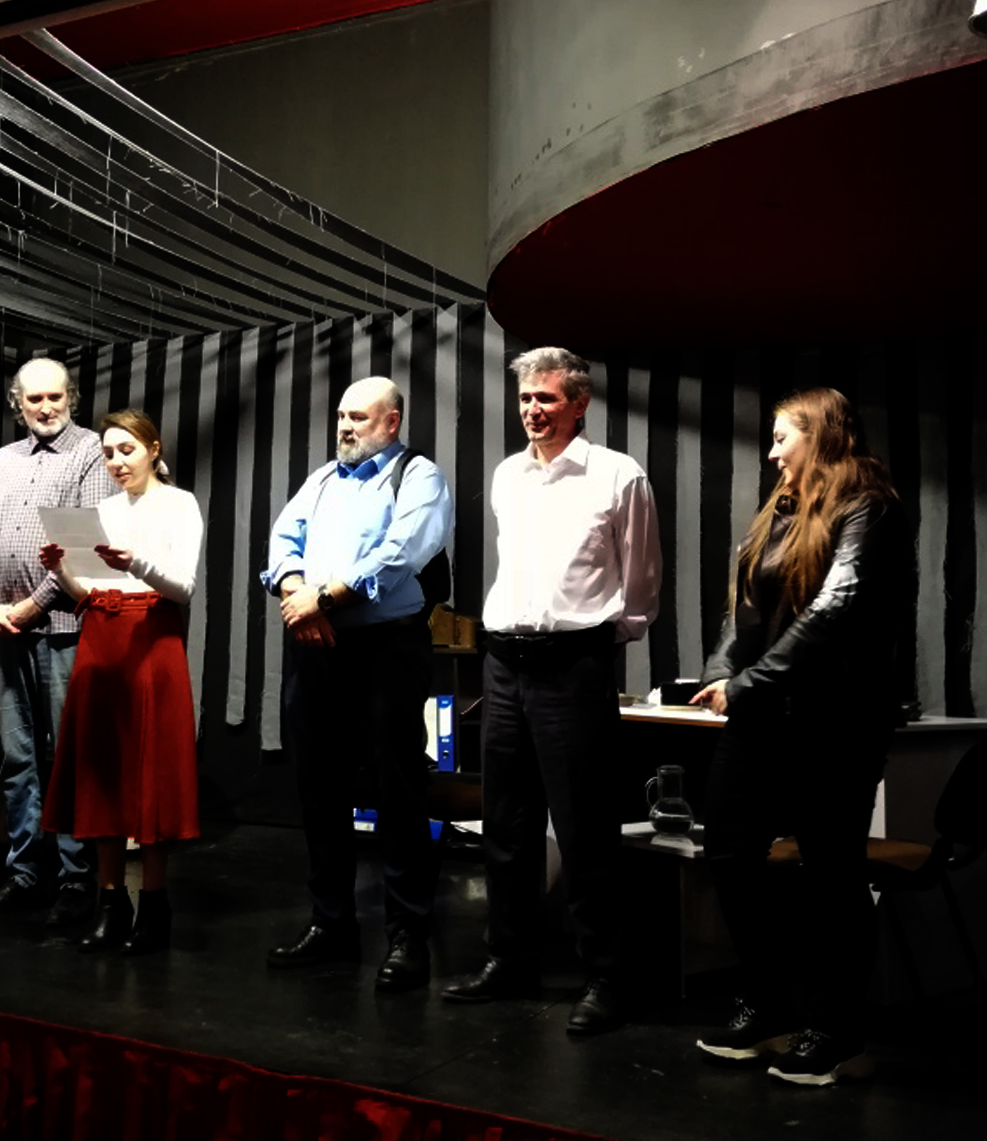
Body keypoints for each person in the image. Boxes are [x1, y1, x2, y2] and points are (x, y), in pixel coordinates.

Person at [690, 387, 905, 1086]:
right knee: (728, 850)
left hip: (835, 720)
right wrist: (723, 672)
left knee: (831, 870)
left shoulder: (867, 504)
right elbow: (745, 609)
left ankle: (834, 1029)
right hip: (764, 716)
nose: (772, 451)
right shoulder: (781, 510)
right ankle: (769, 1004)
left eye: (784, 437)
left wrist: (749, 684)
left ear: (822, 436)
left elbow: (835, 608)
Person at [442, 348, 661, 1032]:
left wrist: (593, 644)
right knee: (506, 826)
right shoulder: (508, 475)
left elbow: (641, 583)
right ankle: (510, 960)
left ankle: (608, 977)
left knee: (585, 827)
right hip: (503, 662)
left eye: (546, 398)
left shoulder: (618, 474)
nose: (533, 410)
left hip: (574, 665)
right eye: (525, 399)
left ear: (579, 403)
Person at [260, 376, 455, 992]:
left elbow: (401, 554)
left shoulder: (417, 476)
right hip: (317, 647)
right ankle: (331, 924)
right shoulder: (322, 480)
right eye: (341, 416)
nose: (345, 427)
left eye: (359, 418)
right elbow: (283, 539)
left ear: (391, 422)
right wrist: (298, 594)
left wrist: (323, 598)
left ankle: (407, 936)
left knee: (398, 793)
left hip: (385, 650)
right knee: (320, 789)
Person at [38, 409, 203, 955]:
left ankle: (154, 905)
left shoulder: (179, 504)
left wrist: (138, 563)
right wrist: (61, 571)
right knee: (101, 775)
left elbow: (183, 588)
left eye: (126, 450)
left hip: (151, 641)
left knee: (152, 775)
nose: (116, 461)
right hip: (100, 640)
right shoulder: (103, 510)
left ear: (153, 449)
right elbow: (89, 593)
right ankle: (111, 904)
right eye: (108, 452)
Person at [0, 357, 110, 924]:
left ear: (71, 397)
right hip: (5, 629)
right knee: (17, 757)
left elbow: (86, 542)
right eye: (34, 399)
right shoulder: (4, 459)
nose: (46, 408)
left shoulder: (90, 451)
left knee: (69, 756)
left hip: (63, 628)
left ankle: (76, 879)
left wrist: (33, 605)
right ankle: (24, 873)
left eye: (55, 397)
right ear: (17, 404)